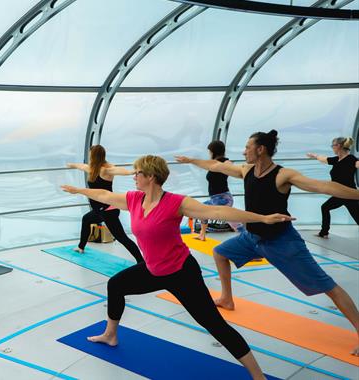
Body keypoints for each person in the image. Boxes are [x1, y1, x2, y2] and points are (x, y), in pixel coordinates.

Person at [62, 155, 292, 379]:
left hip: (182, 273)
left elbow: (217, 211)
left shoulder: (176, 202)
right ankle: (110, 335)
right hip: (153, 270)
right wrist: (79, 191)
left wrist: (262, 218)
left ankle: (257, 376)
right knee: (116, 284)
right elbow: (104, 194)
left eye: (137, 172)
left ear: (150, 176)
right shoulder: (134, 199)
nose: (134, 176)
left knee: (214, 325)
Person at [176, 130, 359, 356]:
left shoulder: (283, 175)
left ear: (260, 149)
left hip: (282, 242)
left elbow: (323, 186)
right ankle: (226, 298)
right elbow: (216, 166)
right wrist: (192, 160)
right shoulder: (246, 170)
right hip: (251, 238)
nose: (244, 151)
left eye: (247, 147)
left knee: (329, 287)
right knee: (220, 252)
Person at [66, 145, 143, 263]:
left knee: (121, 238)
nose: (89, 156)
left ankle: (141, 261)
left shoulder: (106, 170)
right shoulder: (92, 169)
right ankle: (81, 247)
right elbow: (82, 166)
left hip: (109, 211)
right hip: (98, 210)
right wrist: (72, 165)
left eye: (90, 154)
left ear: (94, 155)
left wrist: (131, 171)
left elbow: (118, 170)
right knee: (86, 219)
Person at [306, 136, 359, 238]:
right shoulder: (337, 160)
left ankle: (324, 232)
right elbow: (324, 159)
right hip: (339, 194)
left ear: (338, 146)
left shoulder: (351, 159)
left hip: (349, 194)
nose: (332, 148)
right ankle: (324, 232)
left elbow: (357, 164)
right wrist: (315, 156)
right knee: (325, 207)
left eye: (333, 146)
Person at [192, 140, 242, 241]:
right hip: (216, 199)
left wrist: (230, 165)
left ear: (214, 151)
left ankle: (250, 238)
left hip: (223, 198)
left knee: (233, 222)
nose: (209, 153)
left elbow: (230, 165)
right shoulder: (213, 164)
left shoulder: (225, 162)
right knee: (201, 211)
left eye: (210, 151)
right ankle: (202, 234)